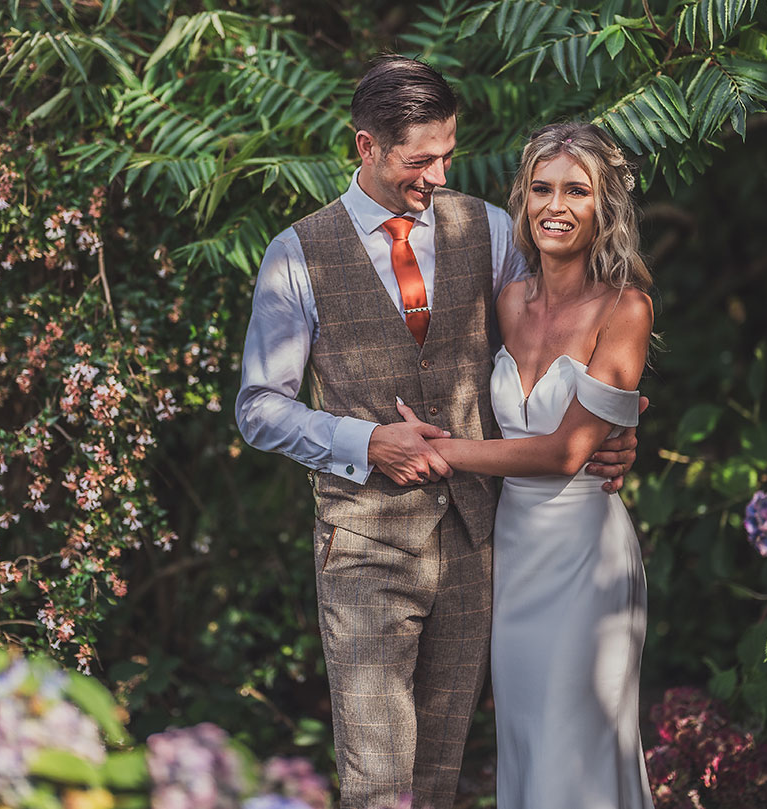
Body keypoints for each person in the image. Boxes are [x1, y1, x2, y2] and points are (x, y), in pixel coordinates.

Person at [236, 57, 639, 809]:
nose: (438, 173)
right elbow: (259, 407)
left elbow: (552, 350)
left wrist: (609, 427)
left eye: (448, 153)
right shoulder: (296, 255)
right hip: (363, 547)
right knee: (376, 776)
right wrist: (364, 442)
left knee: (439, 773)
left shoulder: (486, 229)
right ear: (366, 146)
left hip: (476, 543)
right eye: (420, 160)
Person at [397, 121, 655, 808]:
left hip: (584, 556)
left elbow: (568, 449)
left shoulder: (626, 306)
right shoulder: (507, 301)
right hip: (511, 554)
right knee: (527, 737)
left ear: (604, 207)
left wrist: (439, 450)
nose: (556, 205)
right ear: (523, 198)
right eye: (541, 188)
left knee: (579, 741)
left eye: (577, 190)